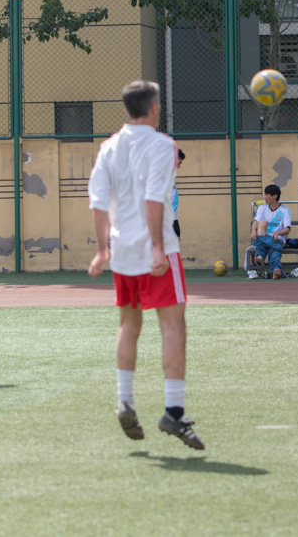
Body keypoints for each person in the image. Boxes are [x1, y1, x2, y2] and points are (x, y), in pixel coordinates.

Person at [88, 80, 204, 449]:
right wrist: (156, 247)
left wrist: (102, 250)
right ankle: (174, 411)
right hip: (158, 249)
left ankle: (125, 401)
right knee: (173, 328)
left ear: (126, 110)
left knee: (128, 324)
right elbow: (155, 198)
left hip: (122, 250)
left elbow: (97, 201)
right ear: (154, 108)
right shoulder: (163, 145)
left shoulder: (109, 147)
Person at [251, 184, 292, 279]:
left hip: (276, 238)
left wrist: (278, 233)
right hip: (266, 237)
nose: (264, 197)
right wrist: (253, 231)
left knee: (273, 243)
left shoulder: (285, 210)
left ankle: (260, 255)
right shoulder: (262, 208)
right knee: (262, 223)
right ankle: (276, 269)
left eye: (266, 195)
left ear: (274, 196)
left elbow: (287, 229)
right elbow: (256, 221)